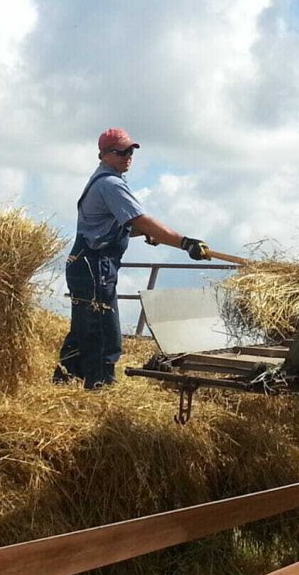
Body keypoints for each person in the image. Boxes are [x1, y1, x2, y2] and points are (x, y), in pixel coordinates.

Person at [54, 128, 211, 389]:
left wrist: (144, 233)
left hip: (85, 263)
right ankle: (100, 388)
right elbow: (140, 220)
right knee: (104, 334)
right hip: (95, 265)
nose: (128, 156)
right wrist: (185, 243)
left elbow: (117, 225)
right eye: (121, 151)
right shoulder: (111, 184)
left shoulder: (104, 180)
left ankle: (65, 381)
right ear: (104, 154)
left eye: (130, 151)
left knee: (84, 329)